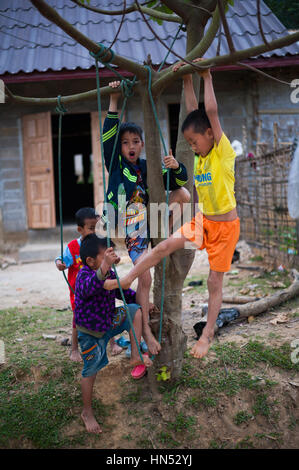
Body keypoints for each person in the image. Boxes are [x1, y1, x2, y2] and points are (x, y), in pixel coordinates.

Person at [104, 60, 240, 360]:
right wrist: (187, 80)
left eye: (194, 141)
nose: (191, 146)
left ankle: (207, 334)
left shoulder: (221, 153)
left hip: (225, 229)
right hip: (203, 222)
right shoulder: (201, 157)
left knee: (214, 282)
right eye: (188, 142)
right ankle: (129, 279)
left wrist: (206, 75)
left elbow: (210, 114)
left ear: (209, 135)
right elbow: (192, 114)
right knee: (163, 246)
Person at [102, 80, 190, 356]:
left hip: (152, 221)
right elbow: (108, 138)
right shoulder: (116, 164)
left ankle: (158, 241)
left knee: (184, 193)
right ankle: (146, 333)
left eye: (135, 142)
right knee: (147, 278)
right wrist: (114, 101)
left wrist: (176, 166)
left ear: (142, 145)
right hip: (128, 223)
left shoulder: (145, 166)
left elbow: (177, 181)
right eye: (126, 142)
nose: (130, 146)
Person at [75, 233, 152, 434]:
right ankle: (87, 411)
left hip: (109, 323)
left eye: (112, 253)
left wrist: (144, 301)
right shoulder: (84, 276)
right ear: (91, 261)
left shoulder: (108, 273)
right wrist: (105, 268)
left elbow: (124, 294)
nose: (112, 258)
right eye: (106, 255)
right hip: (91, 334)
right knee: (90, 370)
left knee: (135, 310)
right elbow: (90, 286)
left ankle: (135, 355)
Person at [55, 207, 122, 361]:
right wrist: (60, 263)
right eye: (91, 228)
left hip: (103, 286)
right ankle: (74, 349)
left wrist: (114, 260)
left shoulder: (102, 242)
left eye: (97, 227)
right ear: (80, 229)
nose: (95, 231)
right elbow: (62, 259)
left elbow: (111, 257)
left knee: (108, 311)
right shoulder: (73, 246)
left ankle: (112, 344)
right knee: (77, 318)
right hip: (81, 291)